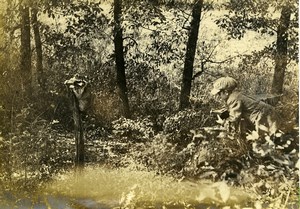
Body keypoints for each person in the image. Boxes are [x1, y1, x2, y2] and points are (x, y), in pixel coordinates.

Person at [210, 76, 278, 136]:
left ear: (226, 92)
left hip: (264, 115)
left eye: (219, 94)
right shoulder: (236, 95)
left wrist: (223, 122)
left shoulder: (233, 99)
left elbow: (234, 118)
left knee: (269, 137)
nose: (219, 96)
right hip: (266, 112)